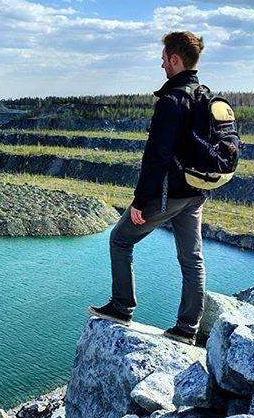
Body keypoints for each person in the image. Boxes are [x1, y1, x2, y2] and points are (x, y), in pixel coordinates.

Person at [89, 31, 207, 345]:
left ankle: (121, 306)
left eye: (164, 59)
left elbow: (156, 156)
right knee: (192, 258)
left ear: (176, 59)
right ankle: (186, 329)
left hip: (167, 193)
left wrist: (141, 201)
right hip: (195, 192)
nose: (161, 65)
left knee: (120, 239)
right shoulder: (205, 96)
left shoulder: (172, 101)